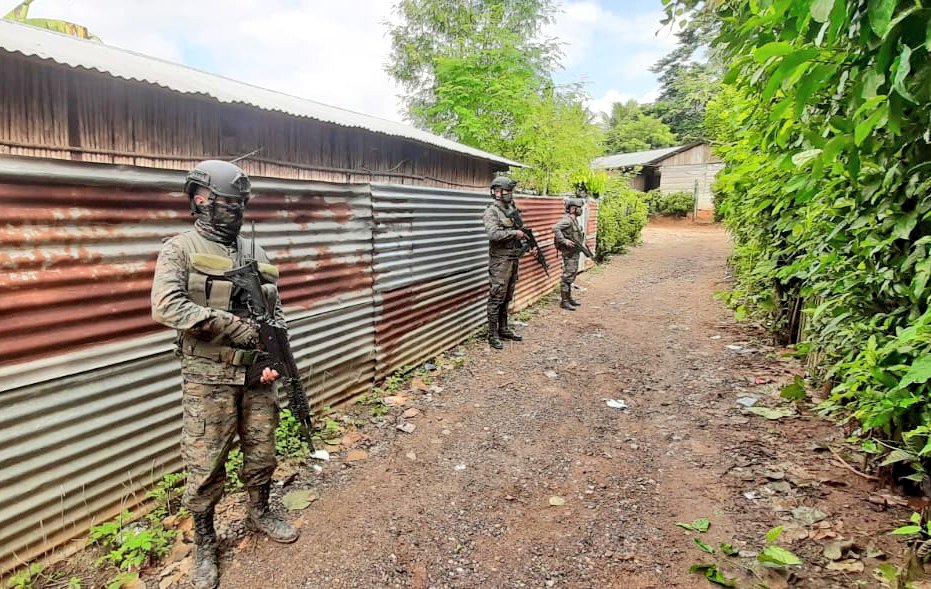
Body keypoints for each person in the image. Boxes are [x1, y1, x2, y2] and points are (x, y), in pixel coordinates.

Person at [151, 160, 299, 589]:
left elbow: (277, 310)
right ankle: (204, 541)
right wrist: (227, 323)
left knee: (262, 450)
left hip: (257, 377)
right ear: (200, 199)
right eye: (227, 202)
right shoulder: (179, 248)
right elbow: (166, 306)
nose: (236, 210)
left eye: (241, 203)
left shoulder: (257, 252)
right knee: (205, 462)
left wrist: (277, 356)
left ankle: (260, 509)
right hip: (208, 377)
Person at [482, 176, 526, 350]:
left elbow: (520, 230)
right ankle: (492, 334)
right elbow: (493, 234)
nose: (510, 194)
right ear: (497, 192)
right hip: (500, 261)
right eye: (507, 191)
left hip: (513, 257)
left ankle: (504, 329)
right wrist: (514, 234)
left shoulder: (511, 208)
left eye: (510, 191)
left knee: (507, 295)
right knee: (497, 296)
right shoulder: (491, 212)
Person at [553, 198, 586, 311]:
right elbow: (555, 228)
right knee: (567, 276)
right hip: (569, 253)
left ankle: (569, 298)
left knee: (571, 275)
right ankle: (564, 301)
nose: (580, 210)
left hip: (574, 252)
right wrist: (564, 241)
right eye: (578, 208)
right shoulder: (567, 220)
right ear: (572, 209)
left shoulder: (574, 220)